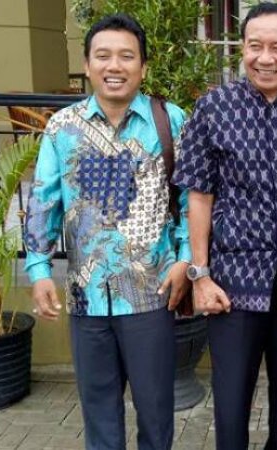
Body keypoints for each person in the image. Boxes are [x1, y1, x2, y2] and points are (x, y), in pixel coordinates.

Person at [172, 2, 277, 449]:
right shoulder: (213, 108)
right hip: (232, 280)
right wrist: (200, 274)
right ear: (242, 49)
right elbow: (199, 195)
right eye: (255, 46)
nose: (265, 58)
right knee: (231, 399)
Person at [24, 13, 190, 450]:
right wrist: (39, 269)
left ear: (143, 67)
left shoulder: (170, 121)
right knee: (99, 415)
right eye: (103, 56)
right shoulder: (62, 127)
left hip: (151, 292)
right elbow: (44, 201)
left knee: (156, 411)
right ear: (87, 64)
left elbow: (192, 199)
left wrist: (187, 259)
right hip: (86, 296)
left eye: (126, 56)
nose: (114, 66)